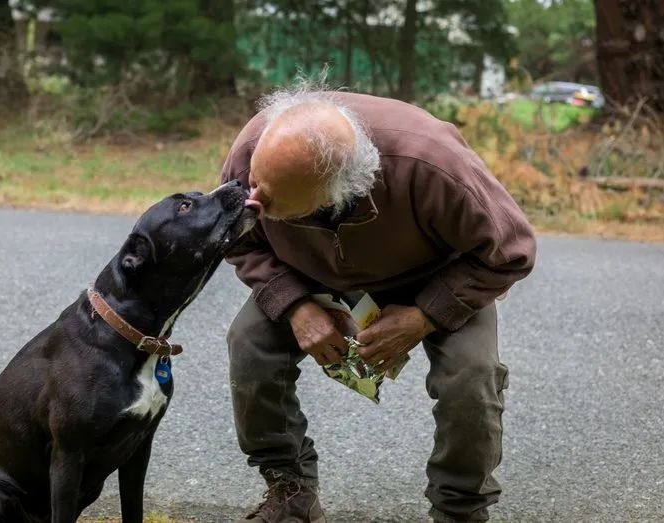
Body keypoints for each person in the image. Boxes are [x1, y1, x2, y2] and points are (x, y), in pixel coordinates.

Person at [220, 86, 537, 523]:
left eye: (271, 201)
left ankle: (460, 511)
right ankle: (290, 491)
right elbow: (237, 237)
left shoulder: (430, 164)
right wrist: (292, 305)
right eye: (255, 183)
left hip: (433, 274)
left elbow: (510, 251)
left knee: (471, 375)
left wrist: (426, 315)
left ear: (333, 195)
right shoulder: (256, 155)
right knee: (250, 344)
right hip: (307, 272)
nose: (253, 199)